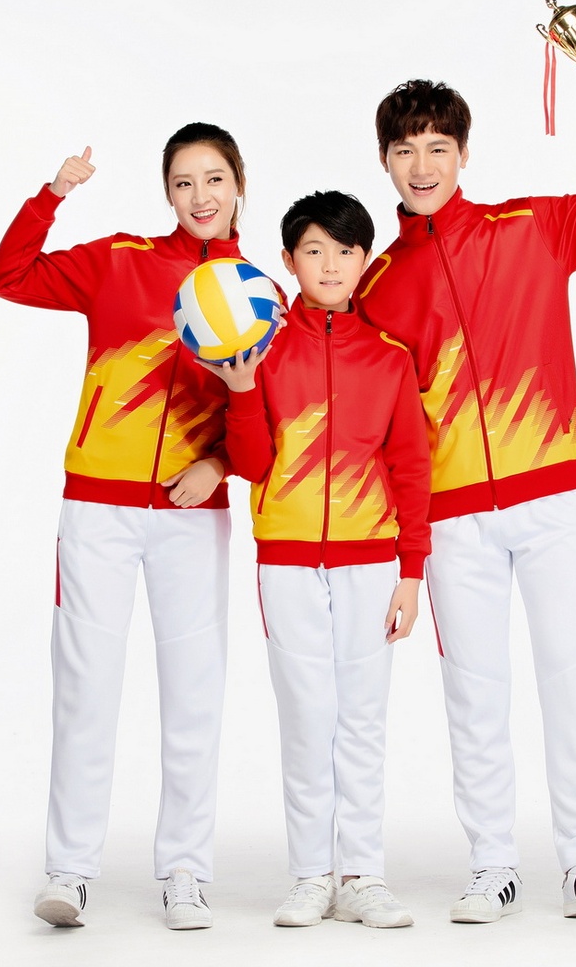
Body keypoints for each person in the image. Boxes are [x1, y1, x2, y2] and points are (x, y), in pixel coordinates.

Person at [355, 43, 576, 922]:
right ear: (385, 161)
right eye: (405, 150)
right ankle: (492, 864)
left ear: (464, 153)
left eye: (437, 147)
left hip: (555, 499)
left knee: (571, 674)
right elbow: (380, 424)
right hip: (455, 521)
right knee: (475, 690)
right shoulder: (379, 286)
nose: (422, 165)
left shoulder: (530, 228)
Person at [0, 122, 260, 930]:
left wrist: (219, 464)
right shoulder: (118, 261)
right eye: (183, 182)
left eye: (214, 179)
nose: (200, 196)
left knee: (194, 691)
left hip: (190, 517)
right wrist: (52, 196)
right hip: (97, 510)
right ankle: (69, 871)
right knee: (86, 687)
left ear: (238, 184)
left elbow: (263, 430)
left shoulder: (259, 294)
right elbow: (8, 276)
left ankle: (185, 872)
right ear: (166, 191)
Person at [204, 190, 431, 928]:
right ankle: (310, 876)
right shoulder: (264, 349)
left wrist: (411, 571)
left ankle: (362, 875)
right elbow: (250, 461)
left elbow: (411, 467)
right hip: (287, 561)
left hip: (371, 561)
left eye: (344, 251)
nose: (329, 265)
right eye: (313, 251)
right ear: (288, 260)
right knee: (306, 717)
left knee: (362, 718)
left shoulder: (390, 359)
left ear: (365, 261)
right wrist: (242, 388)